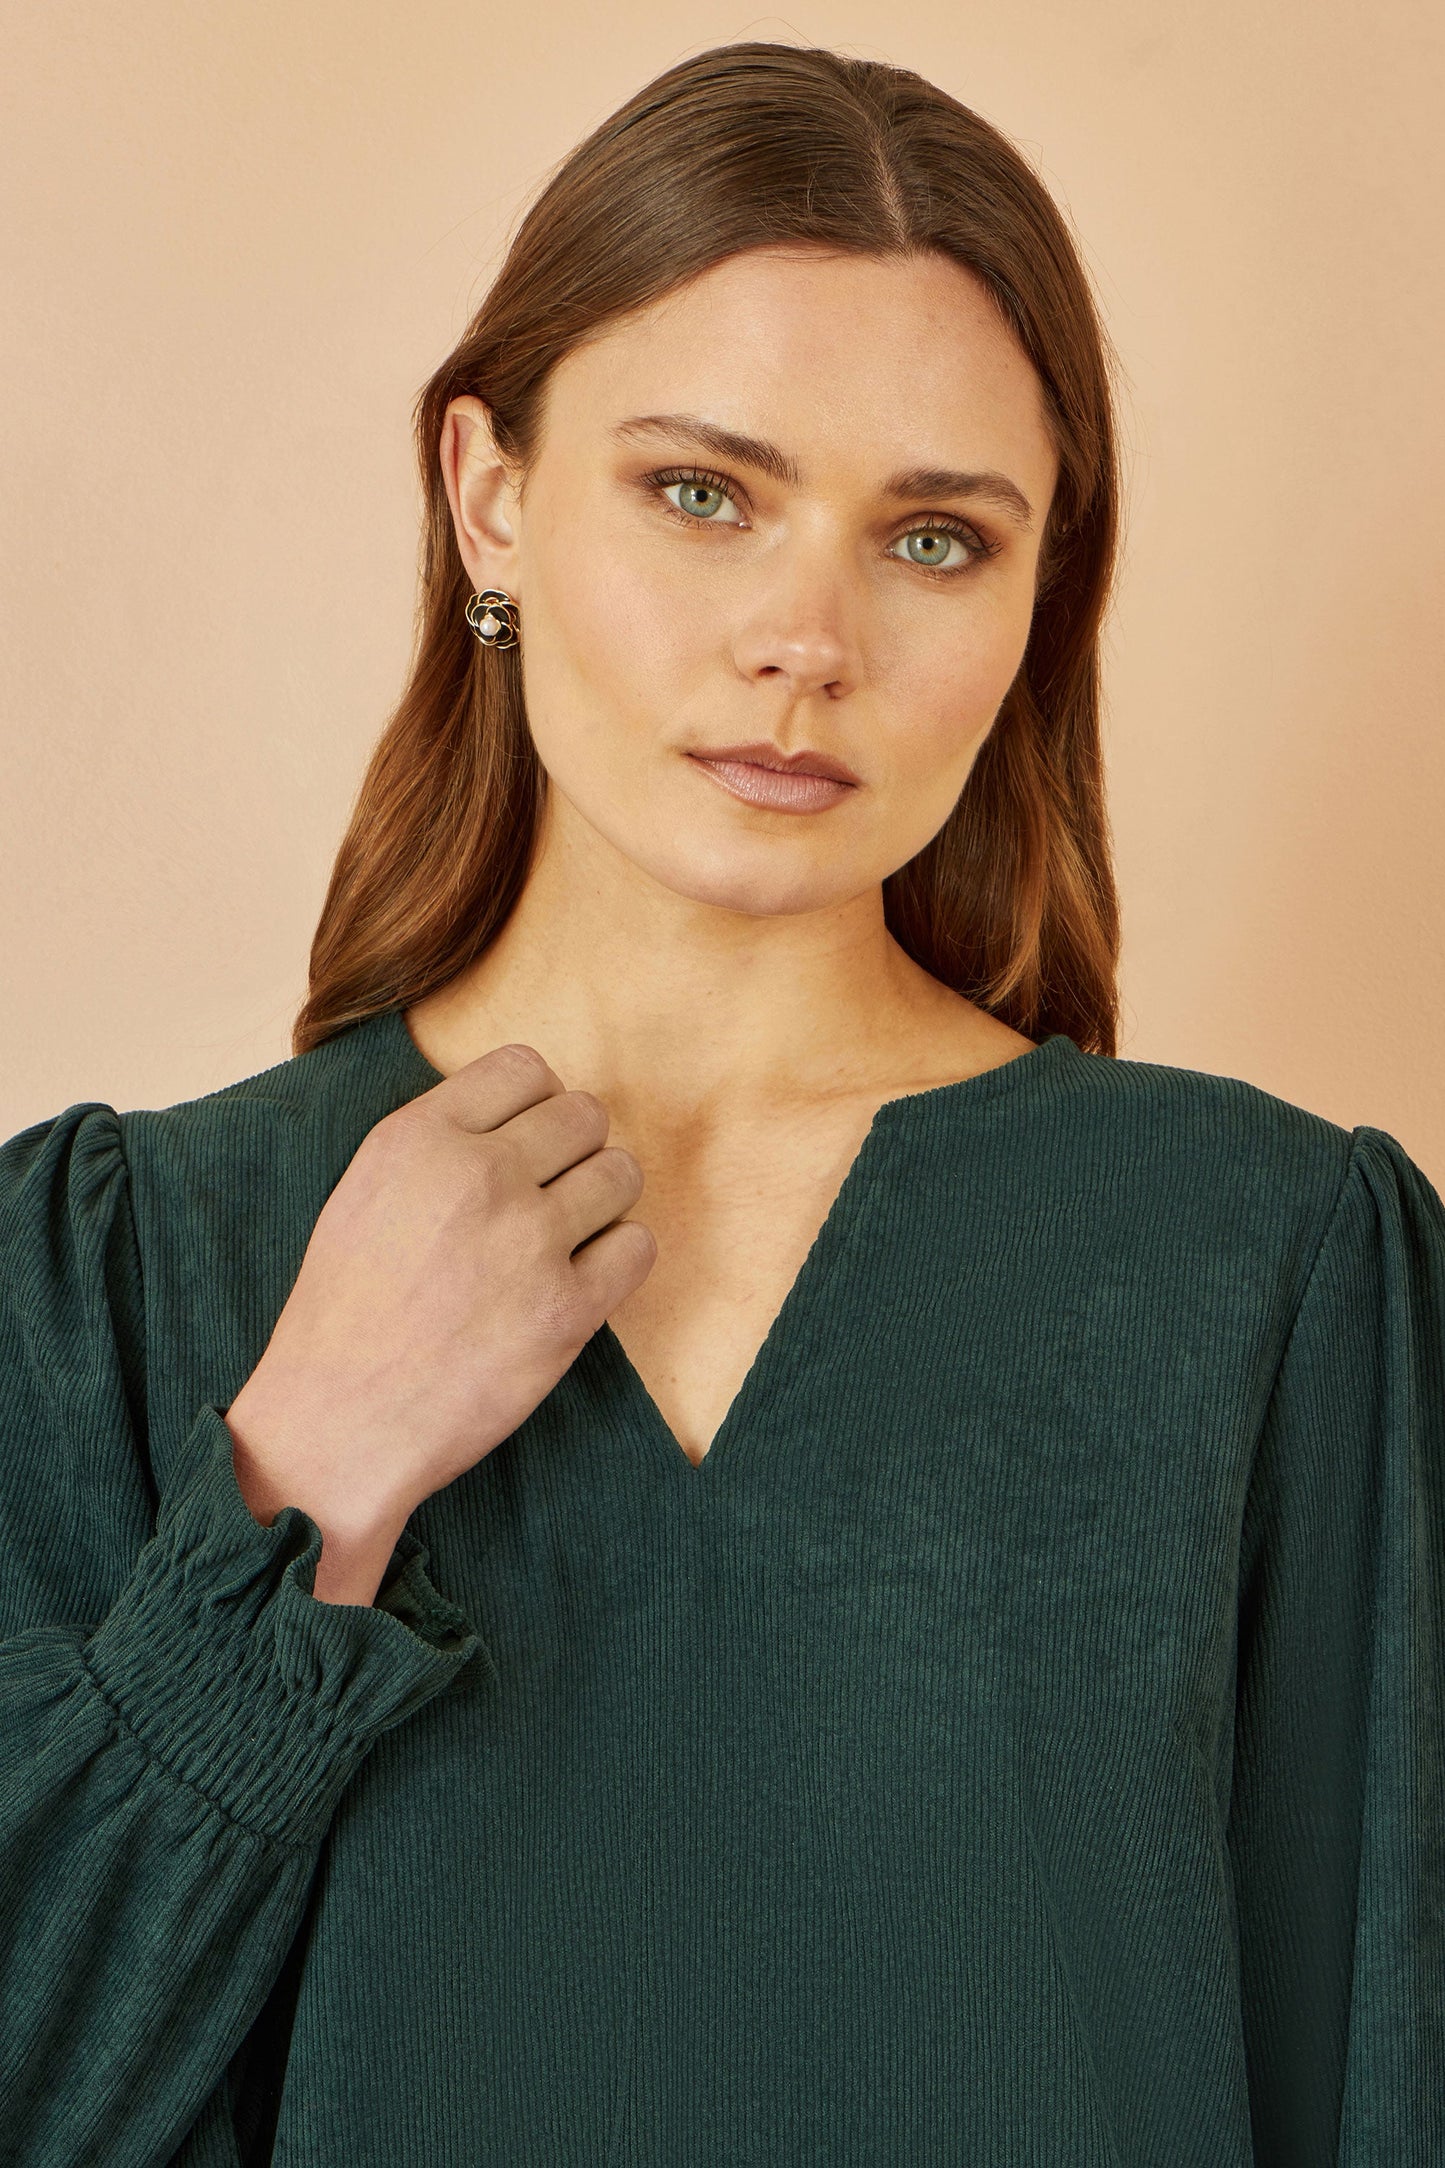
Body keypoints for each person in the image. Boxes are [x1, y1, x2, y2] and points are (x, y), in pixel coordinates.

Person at [1, 39, 1440, 2168]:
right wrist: (299, 1477)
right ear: (488, 490)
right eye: (703, 491)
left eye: (935, 537)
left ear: (1039, 596)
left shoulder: (1278, 1277)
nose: (805, 637)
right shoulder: (116, 1271)